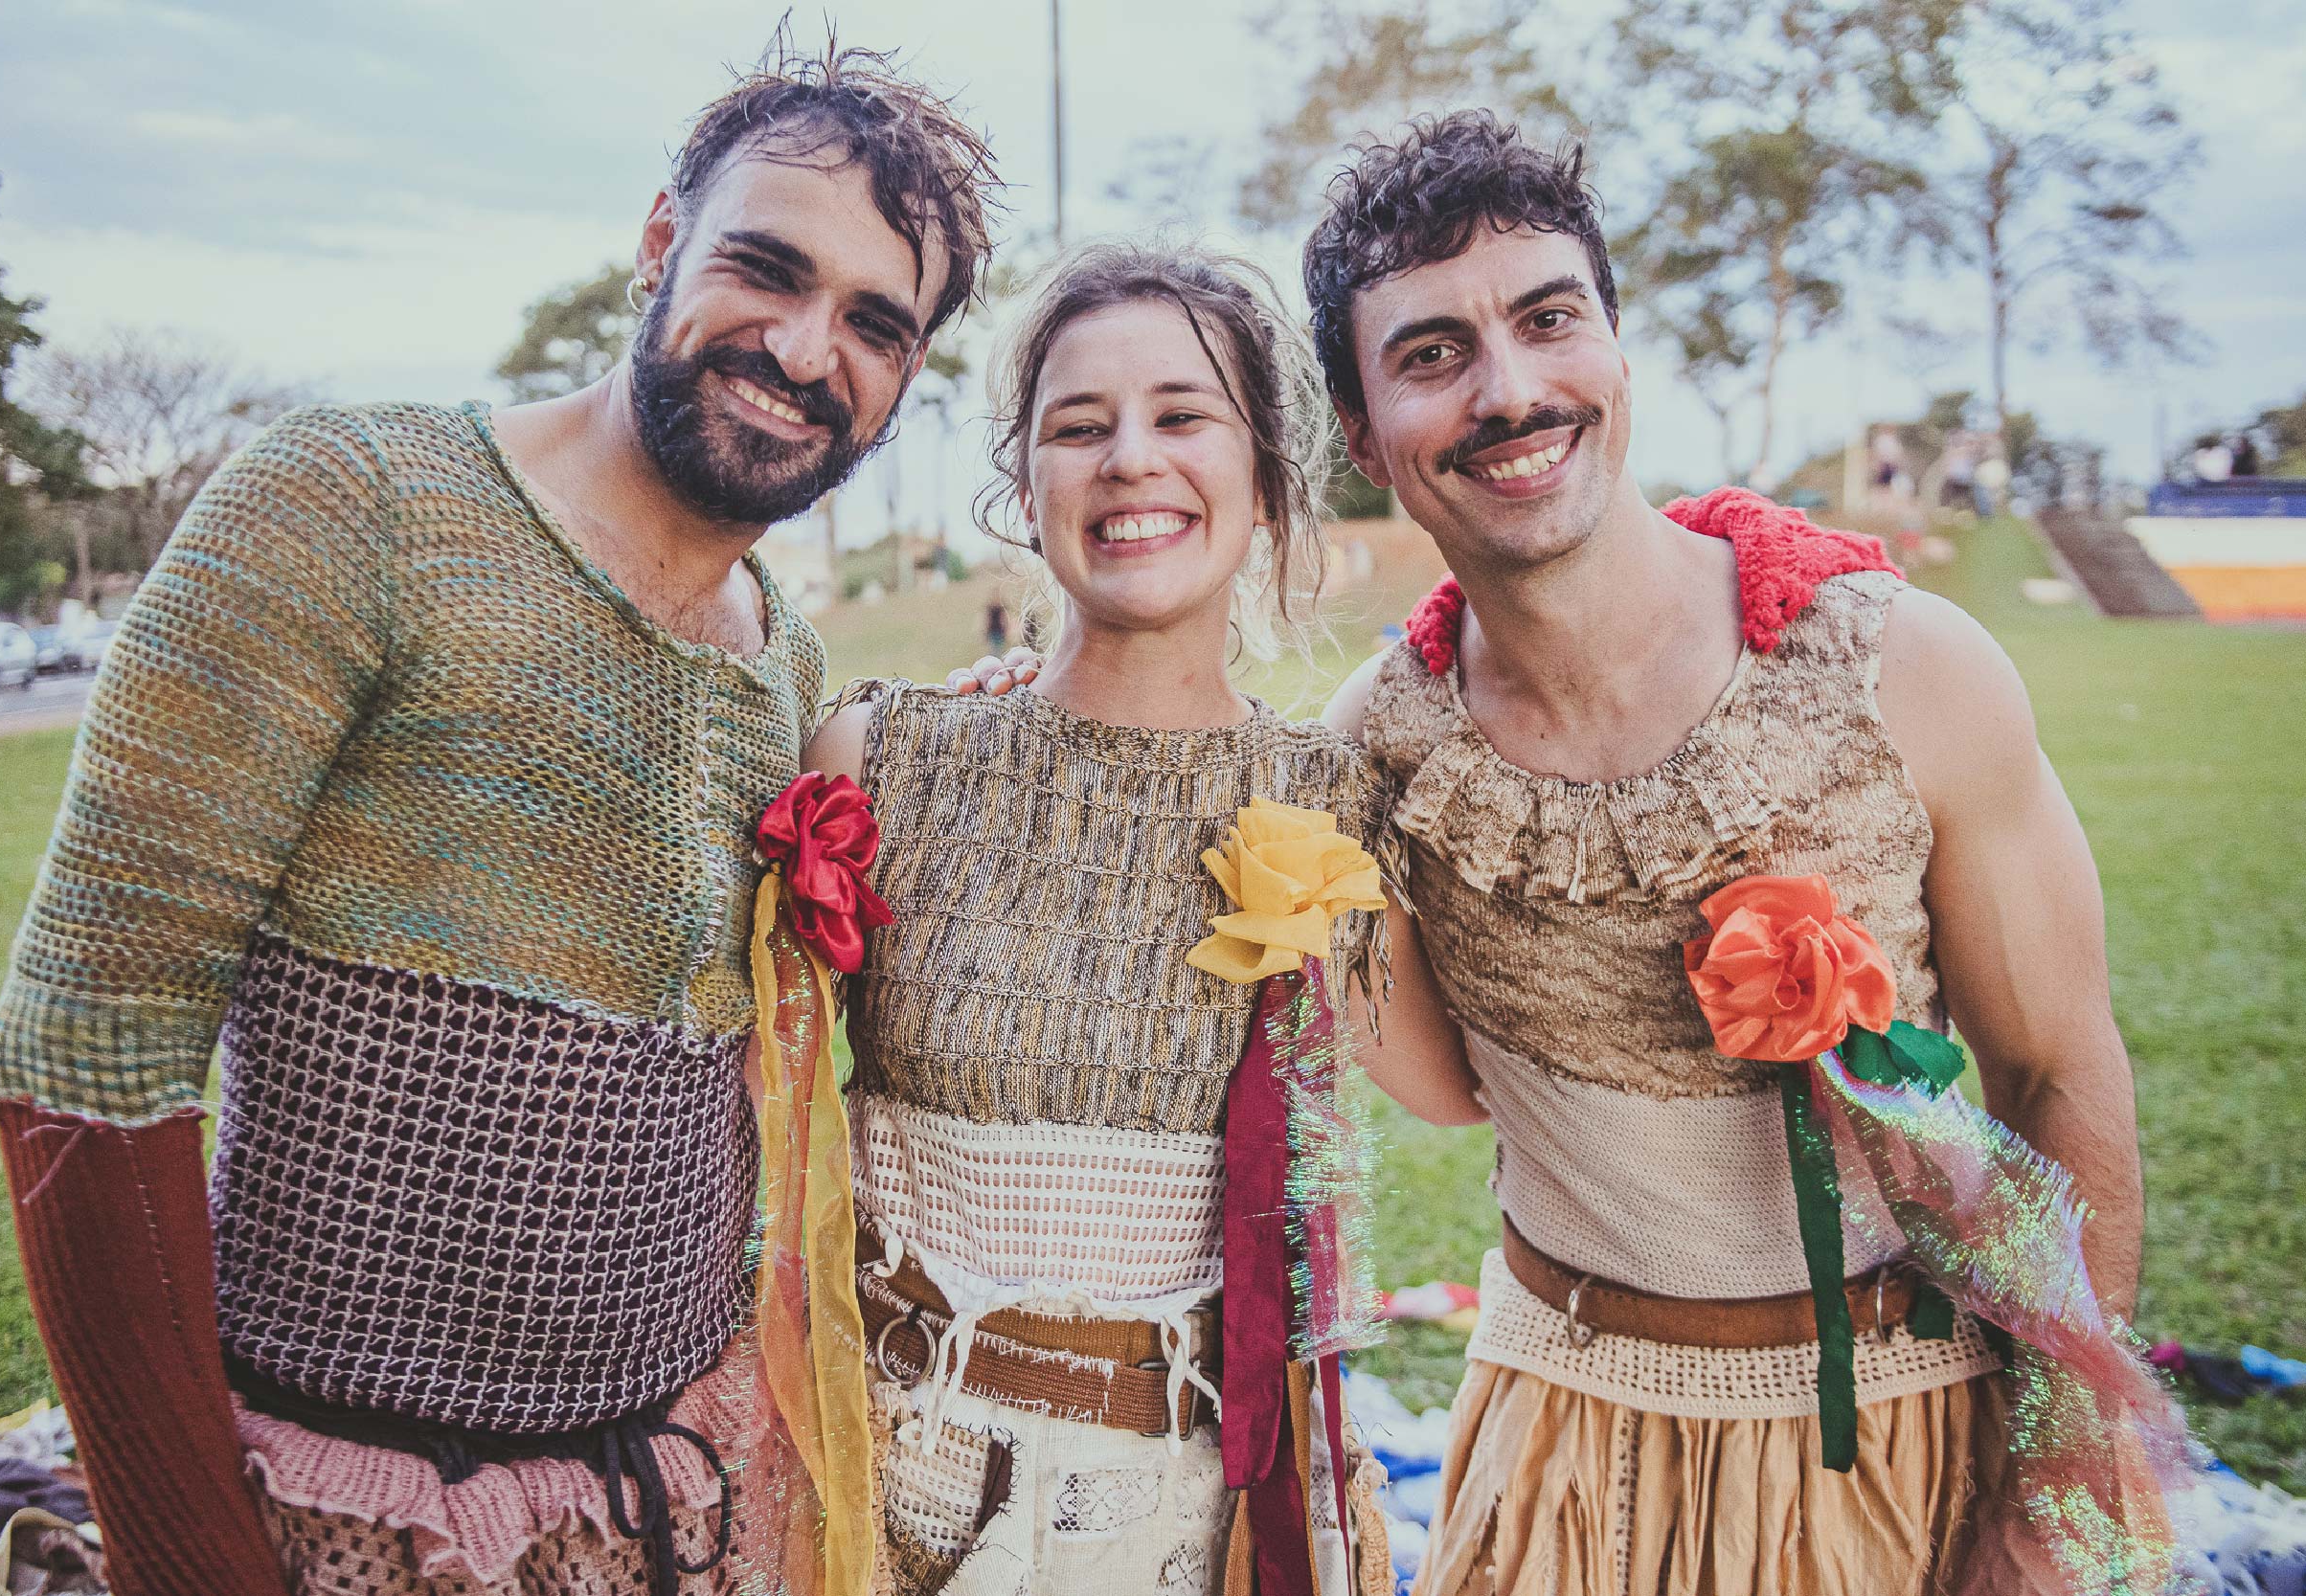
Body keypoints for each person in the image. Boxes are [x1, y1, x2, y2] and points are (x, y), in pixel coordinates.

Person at [0, 44, 996, 1596]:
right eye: (766, 269)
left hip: (664, 1510)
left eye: (874, 323)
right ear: (659, 244)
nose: (805, 349)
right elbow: (86, 1056)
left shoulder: (783, 657)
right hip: (335, 1508)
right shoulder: (350, 503)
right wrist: (189, 1560)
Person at [1300, 112, 2191, 1595]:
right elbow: (1445, 1091)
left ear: (1618, 346)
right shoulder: (1373, 754)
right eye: (1434, 353)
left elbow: (2057, 1069)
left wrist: (2050, 1514)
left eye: (1548, 319)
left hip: (1900, 1441)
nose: (1510, 390)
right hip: (1556, 1453)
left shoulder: (1908, 668)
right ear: (1360, 429)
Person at [809, 242, 1446, 1596]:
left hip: (1172, 1518)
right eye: (1079, 426)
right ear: (1023, 482)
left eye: (1182, 415)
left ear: (1267, 475)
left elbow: (1460, 1093)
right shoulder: (884, 757)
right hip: (883, 1489)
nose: (1130, 461)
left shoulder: (1328, 806)